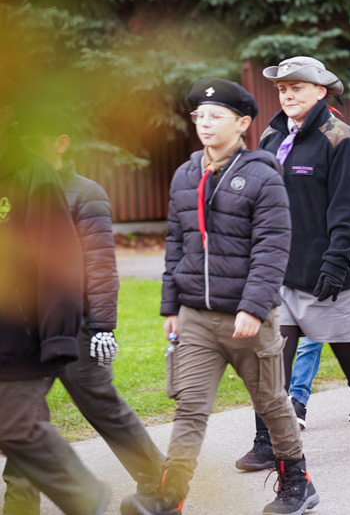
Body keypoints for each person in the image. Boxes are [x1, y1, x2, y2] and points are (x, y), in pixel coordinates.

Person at [121, 77, 317, 515]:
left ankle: (296, 482)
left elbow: (273, 246)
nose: (204, 123)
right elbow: (177, 241)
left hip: (249, 319)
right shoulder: (186, 174)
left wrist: (253, 305)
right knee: (190, 408)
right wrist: (170, 304)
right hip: (196, 317)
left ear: (242, 122)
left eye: (216, 116)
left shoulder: (262, 175)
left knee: (270, 403)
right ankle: (171, 497)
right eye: (199, 116)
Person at [5, 129, 164, 513]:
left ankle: (161, 481)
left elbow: (99, 265)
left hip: (75, 324)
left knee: (100, 404)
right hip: (27, 326)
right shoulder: (16, 187)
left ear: (60, 141)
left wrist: (103, 326)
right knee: (22, 416)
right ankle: (19, 505)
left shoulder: (84, 191)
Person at [250, 56, 350, 460]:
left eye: (297, 86)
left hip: (332, 271)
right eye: (282, 88)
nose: (288, 94)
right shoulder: (271, 138)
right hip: (282, 272)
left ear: (321, 91)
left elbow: (349, 209)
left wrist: (335, 263)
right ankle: (267, 441)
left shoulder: (341, 138)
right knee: (273, 360)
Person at [0, 96, 108, 514]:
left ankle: (86, 499)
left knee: (19, 427)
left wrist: (59, 336)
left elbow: (61, 263)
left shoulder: (33, 177)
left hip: (16, 338)